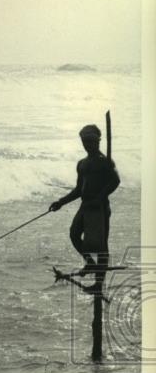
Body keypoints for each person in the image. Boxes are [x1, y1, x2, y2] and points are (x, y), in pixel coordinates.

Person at [49, 124, 120, 290]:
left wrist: (100, 197)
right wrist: (61, 202)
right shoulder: (82, 164)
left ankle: (98, 284)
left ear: (97, 142)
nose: (87, 145)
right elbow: (78, 190)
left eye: (90, 141)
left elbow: (115, 181)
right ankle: (90, 263)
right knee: (74, 234)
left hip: (100, 208)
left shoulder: (106, 162)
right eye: (84, 142)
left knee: (101, 245)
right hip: (85, 206)